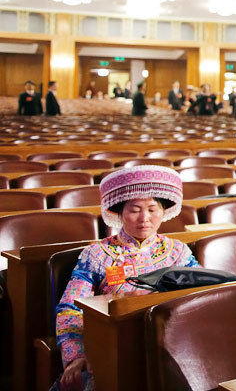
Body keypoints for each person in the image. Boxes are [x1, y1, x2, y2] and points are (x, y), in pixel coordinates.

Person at [54, 166, 199, 391]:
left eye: (152, 209)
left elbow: (199, 296)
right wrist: (77, 355)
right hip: (113, 346)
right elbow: (70, 309)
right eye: (135, 210)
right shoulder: (96, 254)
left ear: (164, 211)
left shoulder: (178, 252)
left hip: (169, 347)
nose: (145, 218)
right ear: (120, 212)